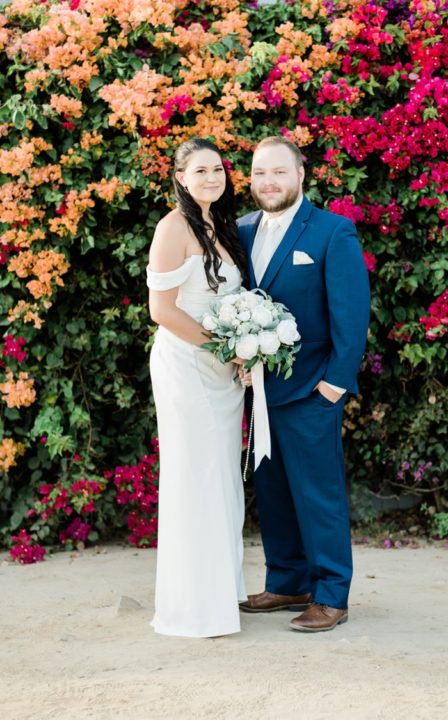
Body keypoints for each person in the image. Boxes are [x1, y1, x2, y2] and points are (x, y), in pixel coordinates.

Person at [236, 136, 370, 632]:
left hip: (312, 391)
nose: (268, 182)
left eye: (278, 172)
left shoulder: (333, 232)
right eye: (259, 173)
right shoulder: (241, 231)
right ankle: (288, 580)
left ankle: (331, 593)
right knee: (272, 491)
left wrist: (334, 386)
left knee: (319, 495)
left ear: (301, 175)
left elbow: (351, 315)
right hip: (260, 393)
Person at [146, 138, 250, 638]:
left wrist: (248, 346)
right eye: (201, 170)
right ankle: (192, 608)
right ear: (181, 177)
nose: (212, 177)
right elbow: (162, 311)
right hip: (188, 365)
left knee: (222, 479)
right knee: (196, 477)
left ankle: (220, 594)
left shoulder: (220, 225)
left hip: (223, 373)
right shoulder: (172, 227)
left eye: (218, 169)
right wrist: (224, 348)